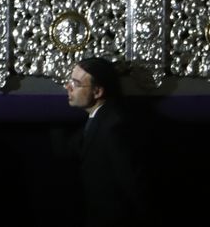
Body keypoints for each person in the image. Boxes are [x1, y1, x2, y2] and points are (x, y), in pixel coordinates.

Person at [66, 56, 156, 227]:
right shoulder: (99, 119)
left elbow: (133, 188)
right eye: (70, 81)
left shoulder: (115, 128)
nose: (68, 87)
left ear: (98, 91)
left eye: (76, 84)